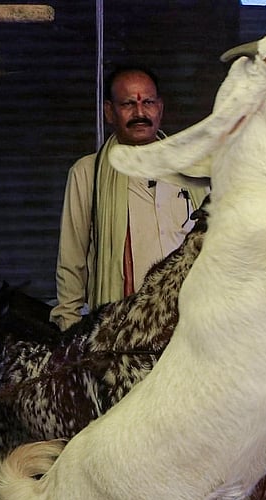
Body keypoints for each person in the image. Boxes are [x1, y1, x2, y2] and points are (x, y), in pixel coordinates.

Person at [49, 65, 210, 330]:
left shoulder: (193, 171)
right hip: (123, 331)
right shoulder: (88, 173)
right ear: (109, 111)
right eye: (128, 104)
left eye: (147, 102)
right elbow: (72, 261)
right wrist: (69, 329)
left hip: (190, 325)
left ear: (160, 108)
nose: (140, 113)